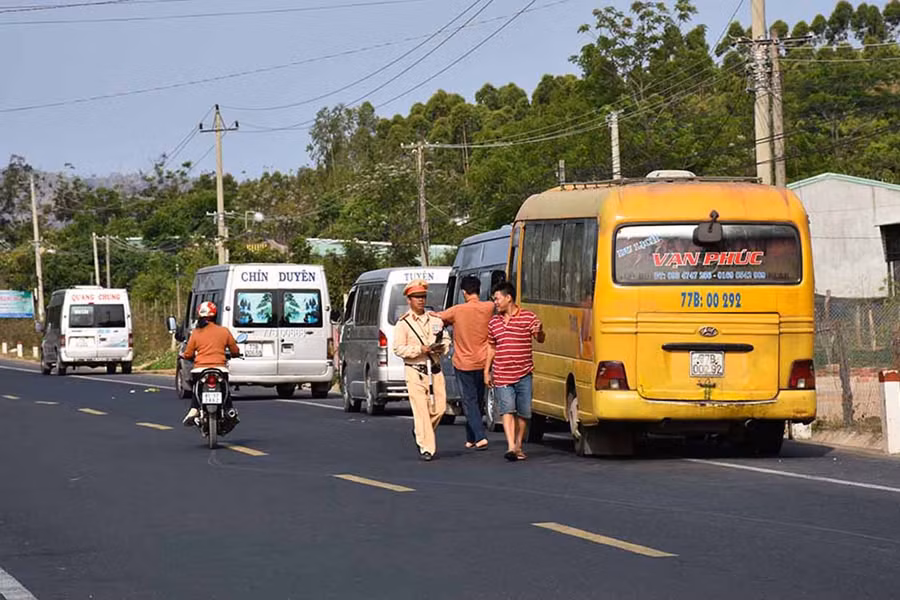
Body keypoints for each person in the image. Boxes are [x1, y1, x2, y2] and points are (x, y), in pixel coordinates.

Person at [484, 281, 544, 462]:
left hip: (524, 373)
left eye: (497, 298)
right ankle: (511, 446)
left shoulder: (528, 317)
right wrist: (487, 371)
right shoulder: (494, 322)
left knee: (524, 412)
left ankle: (518, 445)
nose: (495, 302)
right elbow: (491, 347)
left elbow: (540, 338)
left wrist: (540, 331)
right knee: (507, 409)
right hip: (502, 373)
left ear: (508, 297)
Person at [433, 275, 494, 450]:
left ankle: (480, 436)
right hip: (484, 362)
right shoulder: (489, 307)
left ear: (463, 292)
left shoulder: (457, 311)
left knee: (469, 401)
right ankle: (471, 437)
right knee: (478, 400)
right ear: (479, 289)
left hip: (463, 363)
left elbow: (438, 318)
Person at [393, 279, 449, 461]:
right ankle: (427, 448)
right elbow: (398, 348)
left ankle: (420, 431)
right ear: (409, 300)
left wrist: (441, 347)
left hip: (435, 369)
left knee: (440, 408)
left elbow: (446, 339)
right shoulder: (403, 323)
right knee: (421, 410)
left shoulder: (435, 319)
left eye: (423, 297)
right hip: (415, 370)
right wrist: (420, 349)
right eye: (416, 297)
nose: (420, 300)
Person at [180, 301, 241, 426]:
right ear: (215, 315)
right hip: (220, 369)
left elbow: (188, 353)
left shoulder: (196, 333)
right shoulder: (224, 331)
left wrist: (185, 356)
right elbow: (235, 350)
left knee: (197, 389)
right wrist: (235, 354)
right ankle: (229, 410)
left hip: (200, 370)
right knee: (225, 390)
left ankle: (194, 410)